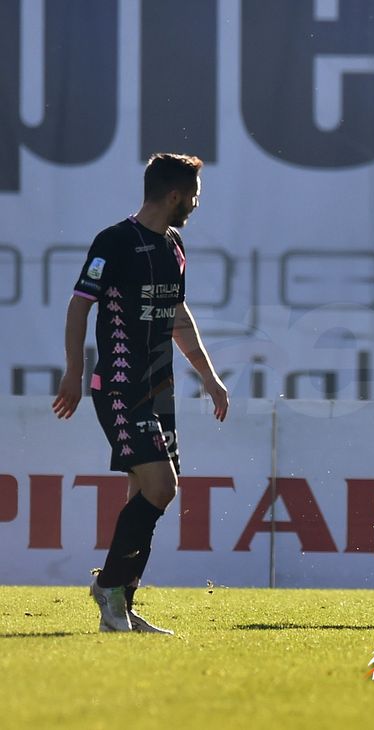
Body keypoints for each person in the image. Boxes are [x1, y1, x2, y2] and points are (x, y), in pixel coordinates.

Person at [52, 153, 229, 634]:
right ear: (174, 195)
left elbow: (177, 315)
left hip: (159, 390)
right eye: (193, 194)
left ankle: (120, 605)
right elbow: (78, 307)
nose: (195, 203)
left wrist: (209, 377)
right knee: (162, 487)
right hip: (118, 385)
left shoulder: (174, 245)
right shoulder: (114, 242)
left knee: (146, 494)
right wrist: (74, 371)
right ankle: (109, 586)